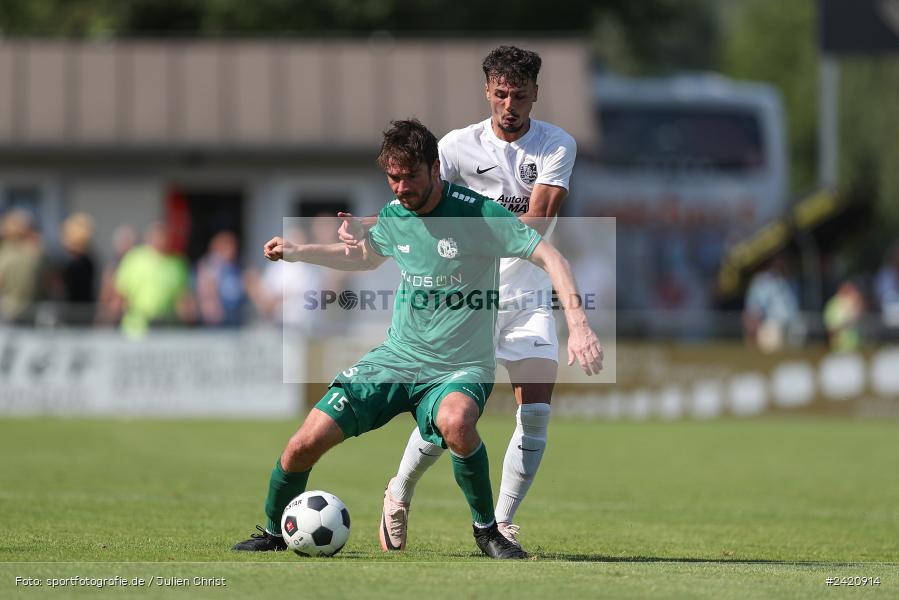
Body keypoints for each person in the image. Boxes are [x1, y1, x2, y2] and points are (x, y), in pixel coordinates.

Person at [232, 119, 603, 559]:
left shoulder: (478, 214)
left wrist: (578, 324)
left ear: (435, 168)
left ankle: (488, 531)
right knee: (302, 443)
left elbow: (551, 256)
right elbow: (366, 258)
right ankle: (275, 532)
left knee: (457, 423)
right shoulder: (395, 215)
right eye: (393, 177)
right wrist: (296, 252)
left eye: (411, 176)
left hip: (460, 367)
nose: (402, 187)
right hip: (397, 358)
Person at [339, 46, 578, 553]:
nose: (509, 104)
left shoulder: (556, 145)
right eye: (500, 93)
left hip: (526, 292)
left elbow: (533, 224)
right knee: (448, 414)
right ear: (487, 91)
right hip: (463, 294)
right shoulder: (454, 146)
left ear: (536, 93)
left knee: (535, 411)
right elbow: (418, 198)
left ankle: (502, 522)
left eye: (519, 94)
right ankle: (399, 490)